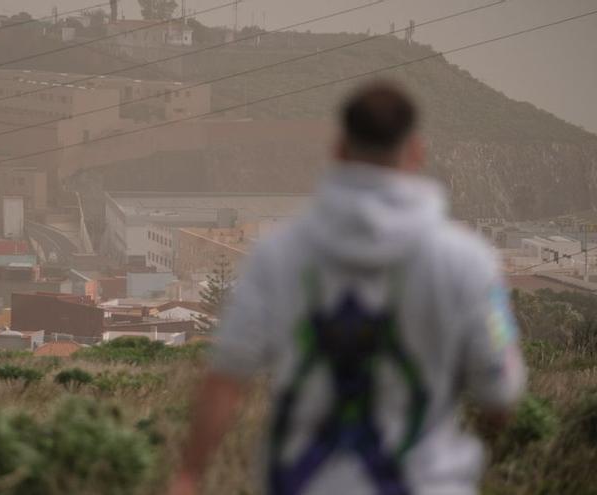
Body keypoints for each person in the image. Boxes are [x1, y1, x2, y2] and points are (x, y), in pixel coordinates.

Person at [168, 81, 526, 495]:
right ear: (415, 152)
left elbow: (227, 377)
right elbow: (500, 388)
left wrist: (189, 474)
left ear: (338, 148)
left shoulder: (278, 254)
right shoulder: (468, 261)